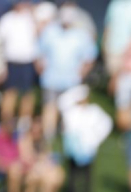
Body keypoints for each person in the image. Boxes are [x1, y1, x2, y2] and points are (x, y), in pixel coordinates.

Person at [36, 4, 97, 141]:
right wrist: (41, 69)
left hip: (71, 80)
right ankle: (49, 138)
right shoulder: (50, 31)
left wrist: (81, 73)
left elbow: (89, 56)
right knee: (50, 107)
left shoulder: (81, 35)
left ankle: (68, 137)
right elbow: (39, 51)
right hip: (51, 78)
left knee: (70, 111)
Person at [58, 84, 112, 192]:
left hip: (87, 146)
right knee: (73, 172)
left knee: (87, 173)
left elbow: (107, 123)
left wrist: (96, 139)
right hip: (73, 146)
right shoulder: (71, 111)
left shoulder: (93, 110)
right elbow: (61, 101)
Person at [0, 0, 37, 126]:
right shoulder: (6, 20)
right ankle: (6, 124)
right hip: (11, 62)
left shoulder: (31, 18)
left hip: (28, 62)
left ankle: (24, 125)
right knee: (10, 93)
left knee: (28, 94)